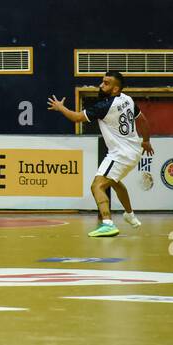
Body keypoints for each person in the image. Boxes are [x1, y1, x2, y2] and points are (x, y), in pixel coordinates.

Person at [47, 70, 151, 237]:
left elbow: (75, 117)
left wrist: (60, 107)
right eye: (102, 81)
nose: (101, 85)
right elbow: (143, 120)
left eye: (106, 83)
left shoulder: (104, 106)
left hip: (120, 154)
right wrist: (146, 141)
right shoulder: (128, 99)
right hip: (133, 152)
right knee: (115, 182)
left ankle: (108, 223)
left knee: (97, 185)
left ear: (116, 89)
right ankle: (130, 215)